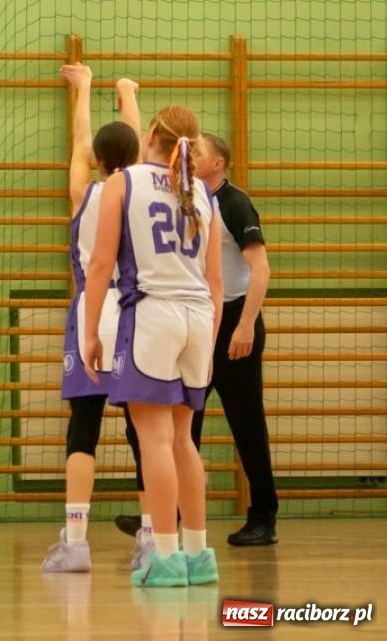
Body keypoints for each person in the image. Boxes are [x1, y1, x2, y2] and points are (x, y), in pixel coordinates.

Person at [115, 131, 278, 549]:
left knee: (247, 424)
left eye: (200, 151)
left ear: (218, 163)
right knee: (179, 427)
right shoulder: (183, 197)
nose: (190, 154)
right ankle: (164, 517)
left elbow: (260, 269)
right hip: (199, 321)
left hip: (234, 322)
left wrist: (245, 326)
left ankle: (263, 516)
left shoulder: (234, 202)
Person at [82, 106, 223, 588]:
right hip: (198, 319)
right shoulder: (203, 192)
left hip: (153, 314)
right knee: (184, 441)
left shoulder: (124, 182)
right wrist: (209, 341)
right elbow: (216, 282)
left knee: (156, 441)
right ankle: (199, 555)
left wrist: (90, 331)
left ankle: (164, 558)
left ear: (151, 136)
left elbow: (101, 263)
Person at [41, 65, 141, 573]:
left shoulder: (87, 195)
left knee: (84, 428)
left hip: (91, 312)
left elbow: (83, 142)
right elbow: (133, 151)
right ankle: (153, 536)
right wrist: (127, 93)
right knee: (145, 431)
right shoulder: (142, 193)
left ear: (98, 162)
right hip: (134, 315)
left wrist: (83, 88)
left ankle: (76, 542)